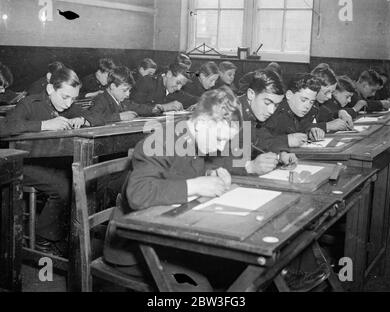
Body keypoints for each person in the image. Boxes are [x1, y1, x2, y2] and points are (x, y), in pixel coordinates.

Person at [104, 86, 246, 290]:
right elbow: (138, 194)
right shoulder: (161, 140)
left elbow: (185, 169)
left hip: (170, 238)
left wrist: (211, 173)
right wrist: (196, 185)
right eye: (219, 139)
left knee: (236, 268)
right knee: (199, 288)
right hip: (132, 247)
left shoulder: (195, 139)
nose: (221, 147)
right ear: (202, 123)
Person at [0, 67, 88, 255]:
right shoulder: (30, 103)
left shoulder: (69, 105)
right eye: (65, 97)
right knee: (63, 186)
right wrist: (44, 125)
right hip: (23, 163)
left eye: (73, 98)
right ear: (50, 89)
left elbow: (96, 115)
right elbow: (6, 127)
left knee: (76, 180)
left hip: (49, 163)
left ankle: (61, 234)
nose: (69, 103)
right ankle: (44, 241)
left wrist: (82, 118)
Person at [261, 73, 324, 149]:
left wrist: (311, 132)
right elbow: (255, 144)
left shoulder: (308, 111)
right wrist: (286, 140)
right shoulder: (272, 112)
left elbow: (302, 126)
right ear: (289, 95)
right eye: (303, 100)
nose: (307, 106)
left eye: (311, 102)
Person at [83, 66, 155, 126]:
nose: (128, 94)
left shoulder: (121, 100)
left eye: (129, 90)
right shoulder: (100, 100)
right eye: (124, 90)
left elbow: (137, 107)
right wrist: (119, 117)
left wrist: (155, 108)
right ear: (113, 86)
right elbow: (92, 118)